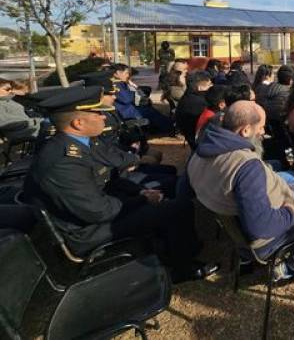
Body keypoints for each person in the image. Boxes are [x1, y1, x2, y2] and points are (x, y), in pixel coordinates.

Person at [23, 86, 218, 283]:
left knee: (165, 198)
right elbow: (97, 211)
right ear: (78, 122)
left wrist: (141, 190)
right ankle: (181, 268)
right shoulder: (63, 161)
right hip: (86, 231)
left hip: (98, 211)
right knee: (178, 207)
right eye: (97, 113)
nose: (102, 117)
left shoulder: (79, 144)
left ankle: (171, 247)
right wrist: (142, 199)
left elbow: (110, 179)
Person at [188, 100, 294, 281]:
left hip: (239, 222)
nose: (264, 132)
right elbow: (260, 227)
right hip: (263, 240)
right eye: (261, 127)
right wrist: (289, 212)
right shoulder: (245, 166)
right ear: (245, 130)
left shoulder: (203, 149)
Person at [176, 71, 212, 149]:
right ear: (199, 87)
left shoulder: (187, 97)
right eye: (209, 85)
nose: (211, 87)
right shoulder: (200, 103)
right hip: (201, 143)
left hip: (191, 139)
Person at [0, 77, 41, 141]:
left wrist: (36, 116)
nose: (11, 91)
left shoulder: (8, 100)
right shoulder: (3, 103)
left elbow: (22, 112)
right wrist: (32, 122)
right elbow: (5, 123)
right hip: (22, 132)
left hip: (30, 127)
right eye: (7, 89)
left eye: (11, 88)